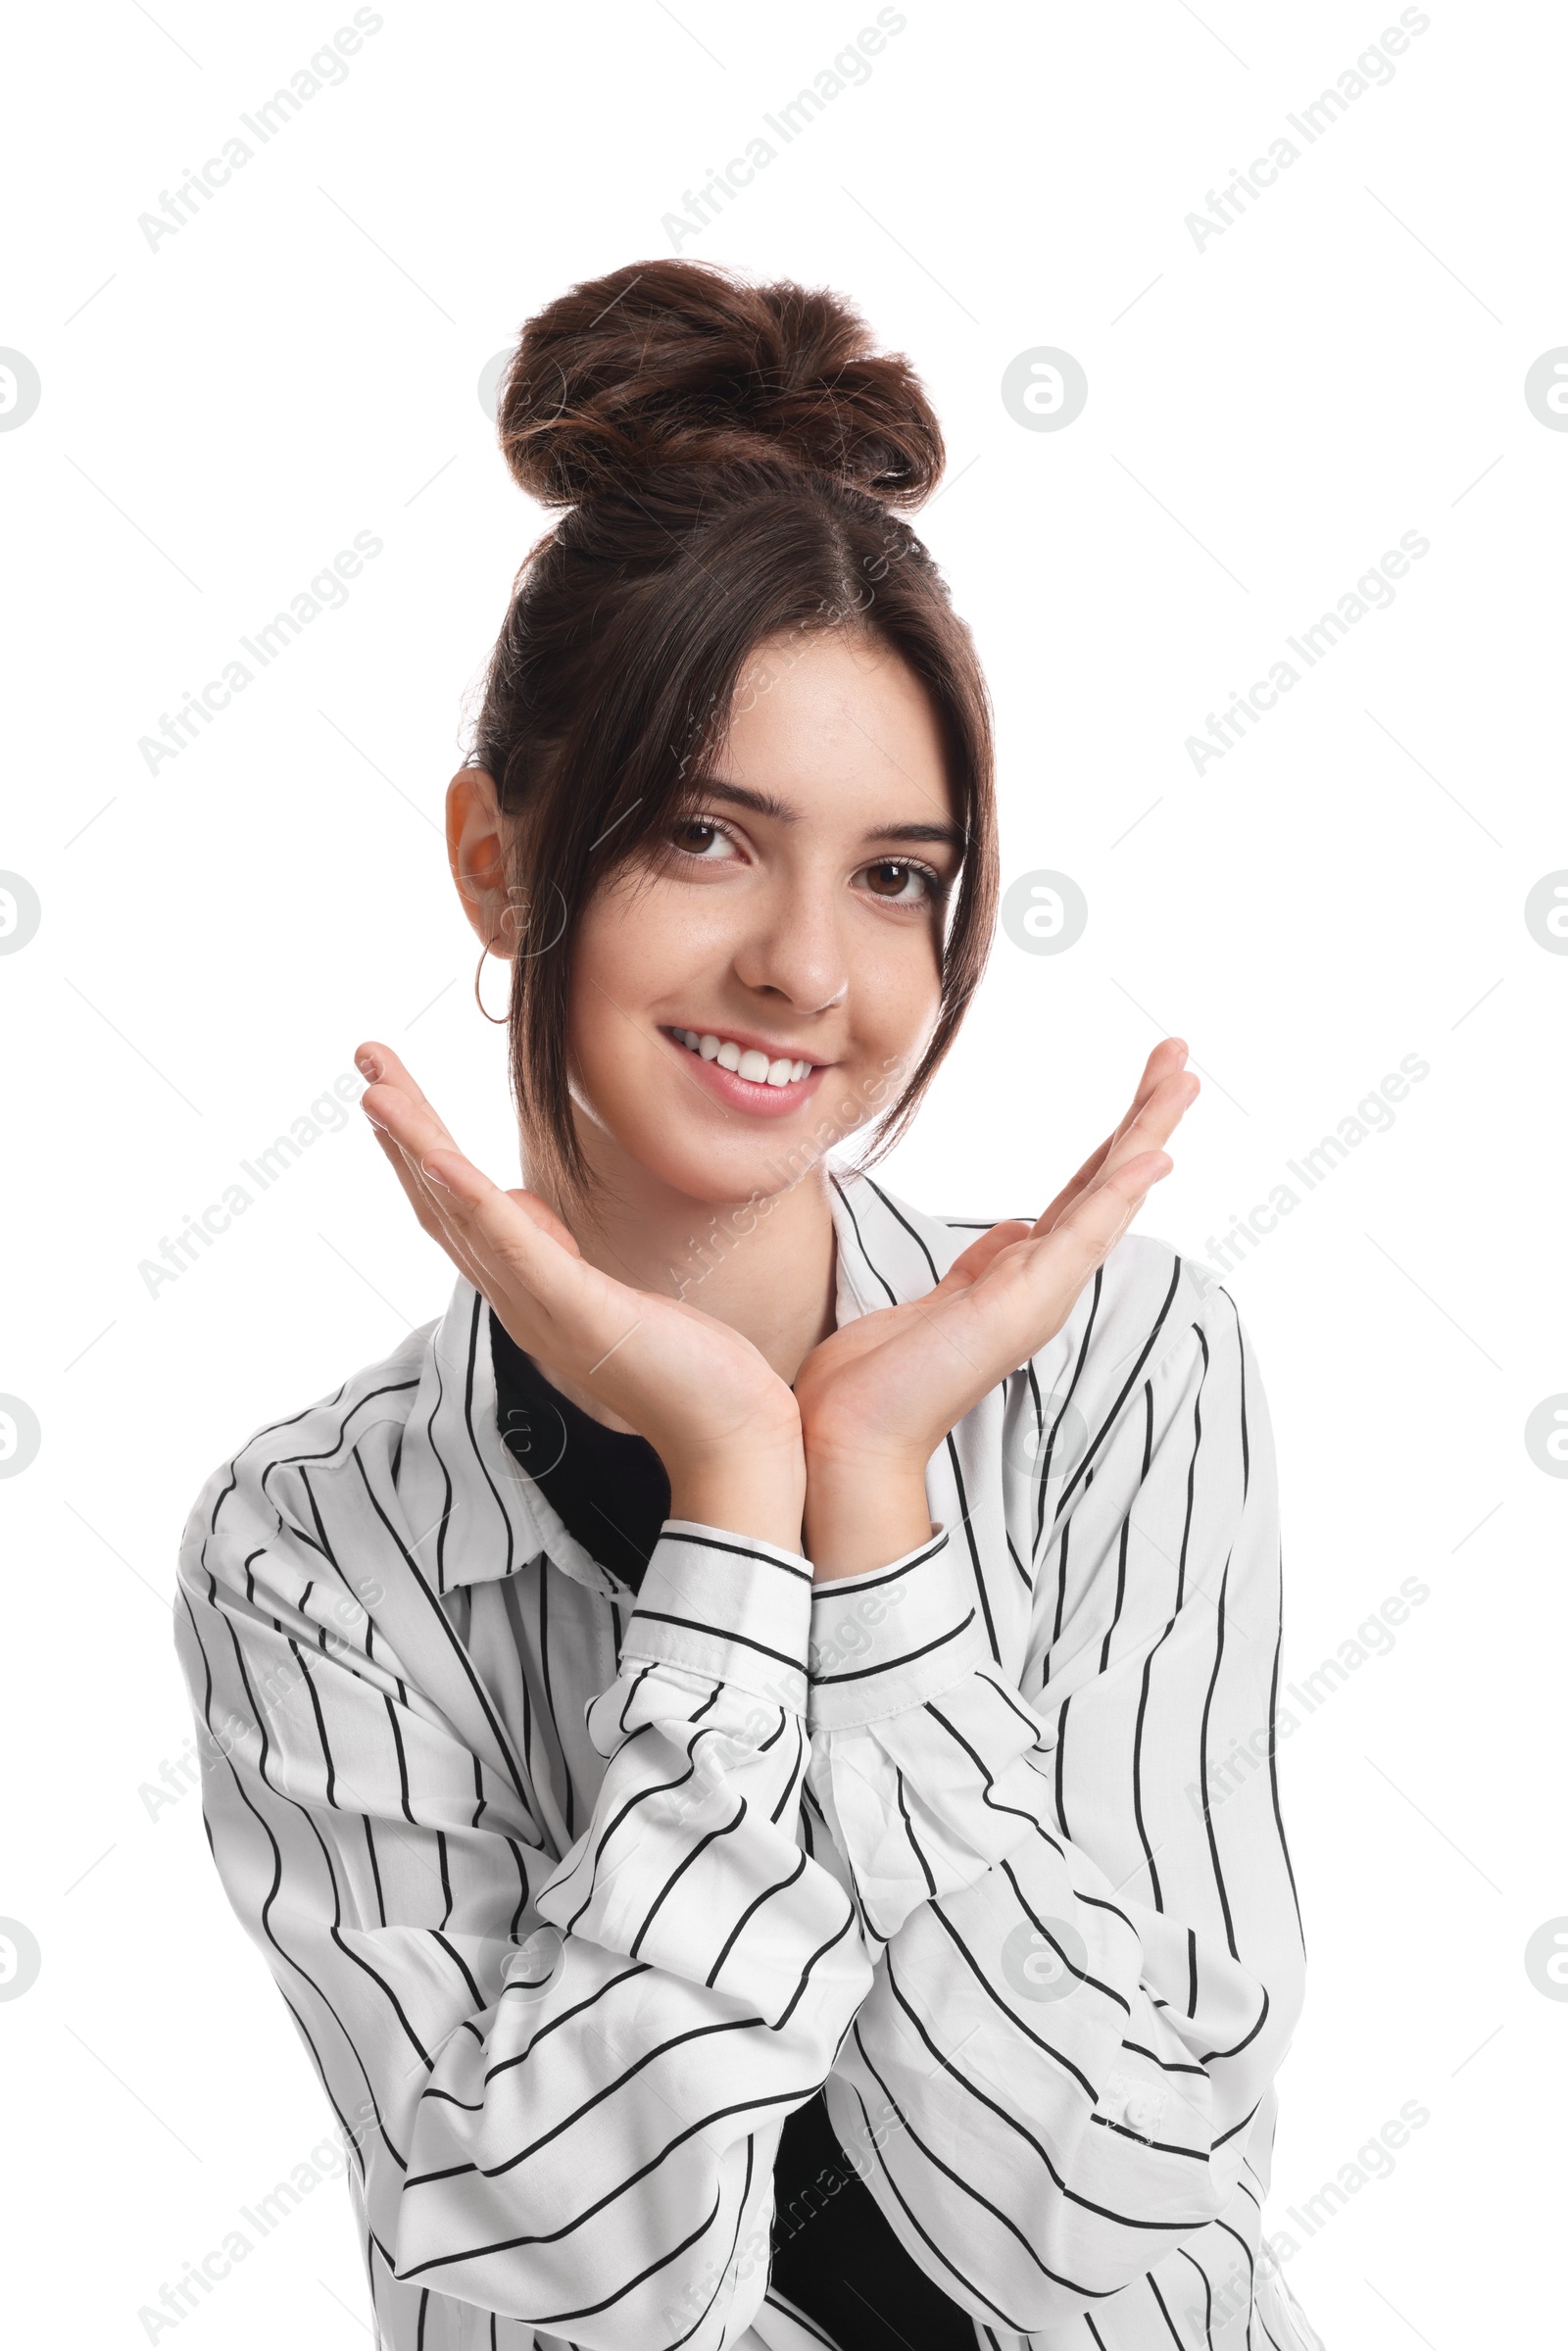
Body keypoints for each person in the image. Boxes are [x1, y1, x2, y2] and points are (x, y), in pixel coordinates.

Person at [173, 259, 1322, 2351]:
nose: (808, 968)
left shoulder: (1128, 1370)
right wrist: (731, 1512)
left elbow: (1132, 2219)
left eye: (895, 875)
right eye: (708, 836)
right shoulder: (312, 1549)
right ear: (499, 861)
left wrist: (868, 1511)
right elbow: (547, 2287)